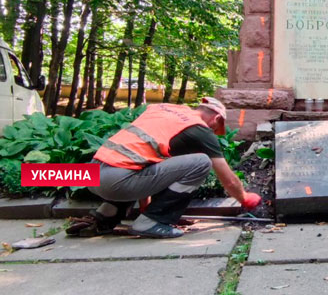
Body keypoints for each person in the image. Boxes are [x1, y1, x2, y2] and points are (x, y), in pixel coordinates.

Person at [66, 97, 261, 238]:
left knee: (134, 168)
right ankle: (153, 222)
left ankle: (105, 216)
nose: (213, 132)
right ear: (216, 119)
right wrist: (244, 198)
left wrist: (145, 207)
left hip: (92, 174)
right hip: (117, 182)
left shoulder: (162, 111)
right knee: (201, 162)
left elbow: (144, 162)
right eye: (215, 128)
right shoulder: (200, 129)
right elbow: (227, 179)